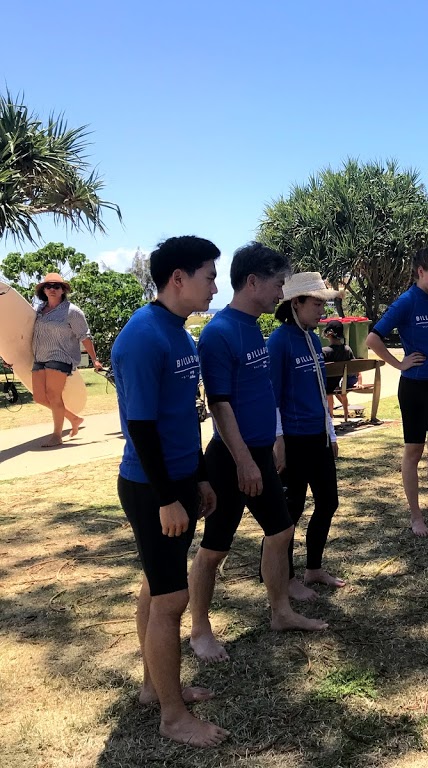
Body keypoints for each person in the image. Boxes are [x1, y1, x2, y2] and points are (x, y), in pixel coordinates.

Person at [111, 235, 229, 747]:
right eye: (209, 275)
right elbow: (139, 428)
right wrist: (166, 498)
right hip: (149, 484)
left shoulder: (180, 334)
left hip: (181, 478)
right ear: (177, 278)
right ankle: (173, 716)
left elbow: (183, 416)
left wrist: (200, 476)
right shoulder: (142, 336)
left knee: (158, 585)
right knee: (171, 599)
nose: (215, 285)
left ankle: (151, 689)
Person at [190, 243, 327, 664]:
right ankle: (199, 629)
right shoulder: (220, 331)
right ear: (252, 282)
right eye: (277, 285)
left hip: (261, 454)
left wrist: (272, 445)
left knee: (281, 531)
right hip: (231, 459)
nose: (281, 294)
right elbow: (220, 404)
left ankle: (280, 612)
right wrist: (245, 461)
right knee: (214, 550)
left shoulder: (253, 327)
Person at [366, 248, 428, 537]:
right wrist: (399, 363)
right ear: (420, 271)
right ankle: (415, 516)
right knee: (414, 451)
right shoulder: (406, 302)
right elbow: (373, 338)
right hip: (414, 385)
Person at [268, 273, 345, 598]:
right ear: (295, 304)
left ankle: (314, 568)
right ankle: (284, 579)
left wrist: (331, 432)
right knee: (290, 513)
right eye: (316, 304)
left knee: (328, 502)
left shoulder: (314, 340)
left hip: (318, 437)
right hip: (293, 441)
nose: (321, 311)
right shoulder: (279, 341)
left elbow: (318, 391)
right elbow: (271, 395)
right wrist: (279, 440)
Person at [30, 272, 103, 447]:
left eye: (57, 286)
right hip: (40, 357)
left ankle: (57, 435)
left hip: (61, 356)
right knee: (39, 397)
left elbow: (84, 337)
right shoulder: (38, 310)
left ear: (63, 290)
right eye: (48, 286)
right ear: (43, 290)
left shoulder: (72, 312)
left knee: (54, 395)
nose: (52, 289)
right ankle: (74, 418)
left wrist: (95, 360)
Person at [322, 320, 360, 419]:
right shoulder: (347, 350)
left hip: (328, 386)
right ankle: (344, 413)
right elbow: (355, 367)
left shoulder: (325, 352)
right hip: (343, 383)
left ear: (328, 334)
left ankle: (330, 414)